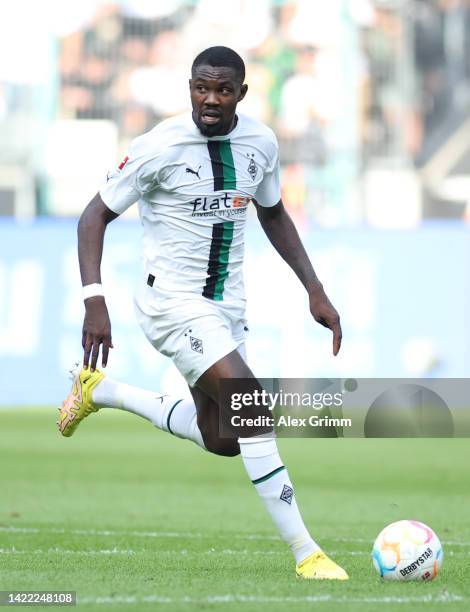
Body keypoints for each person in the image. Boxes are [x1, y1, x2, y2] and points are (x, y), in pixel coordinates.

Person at [58, 46, 347, 581]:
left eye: (221, 90)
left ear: (241, 93)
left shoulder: (261, 141)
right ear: (189, 87)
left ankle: (102, 391)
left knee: (224, 439)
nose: (209, 100)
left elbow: (274, 212)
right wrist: (94, 299)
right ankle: (308, 553)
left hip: (226, 307)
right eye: (200, 88)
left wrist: (315, 289)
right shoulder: (158, 147)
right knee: (252, 404)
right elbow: (92, 216)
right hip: (171, 303)